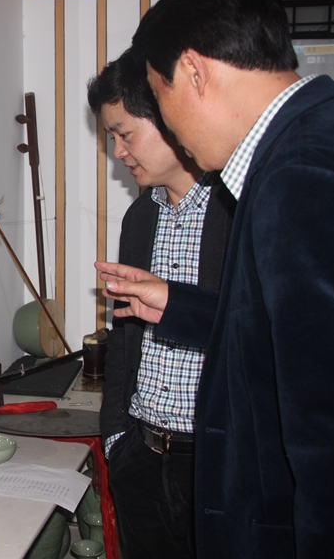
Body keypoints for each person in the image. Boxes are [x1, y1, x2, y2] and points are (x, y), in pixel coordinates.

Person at [95, 0, 334, 558]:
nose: (169, 124)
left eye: (160, 96)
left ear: (194, 71)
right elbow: (294, 334)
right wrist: (179, 305)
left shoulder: (302, 176)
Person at [88, 48, 234, 559]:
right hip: (141, 455)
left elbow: (256, 333)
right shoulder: (140, 218)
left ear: (169, 116)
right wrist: (116, 438)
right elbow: (125, 337)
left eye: (125, 134)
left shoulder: (237, 211)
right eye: (111, 139)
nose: (118, 152)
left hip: (216, 464)